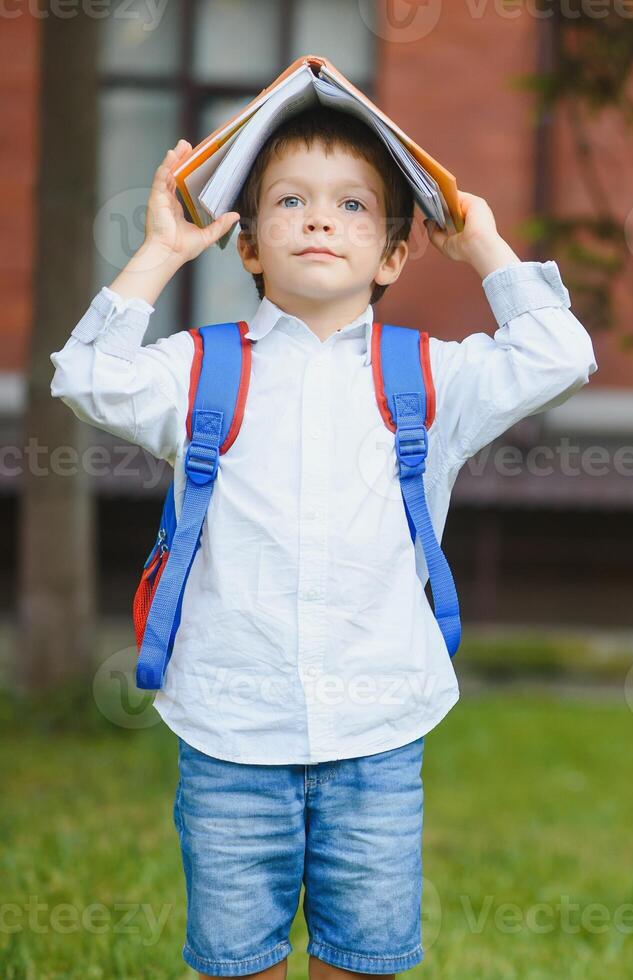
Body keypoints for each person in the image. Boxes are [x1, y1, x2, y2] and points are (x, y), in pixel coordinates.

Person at [49, 106, 598, 978]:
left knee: (363, 962)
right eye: (290, 201)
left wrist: (482, 243)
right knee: (237, 964)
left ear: (392, 253)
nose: (317, 218)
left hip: (378, 736)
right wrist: (161, 250)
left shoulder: (430, 375)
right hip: (231, 735)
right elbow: (85, 377)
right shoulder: (199, 368)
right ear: (250, 245)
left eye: (351, 207)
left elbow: (559, 353)